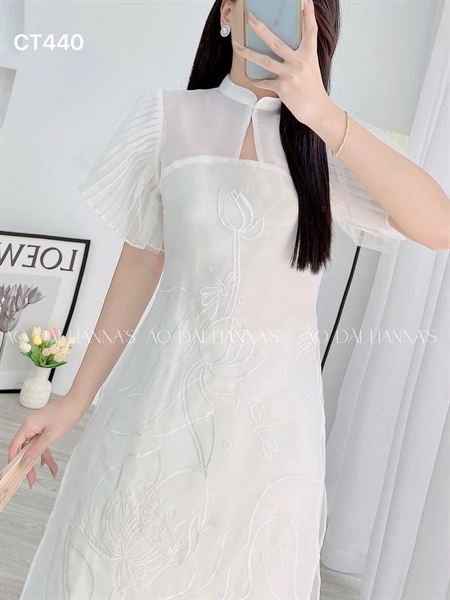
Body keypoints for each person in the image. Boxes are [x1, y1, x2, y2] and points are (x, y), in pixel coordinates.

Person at [10, 0, 449, 598]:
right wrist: (74, 401)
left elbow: (438, 226)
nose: (271, 23)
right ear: (227, 12)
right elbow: (140, 260)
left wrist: (321, 112)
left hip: (270, 433)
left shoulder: (325, 144)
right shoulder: (167, 118)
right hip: (159, 403)